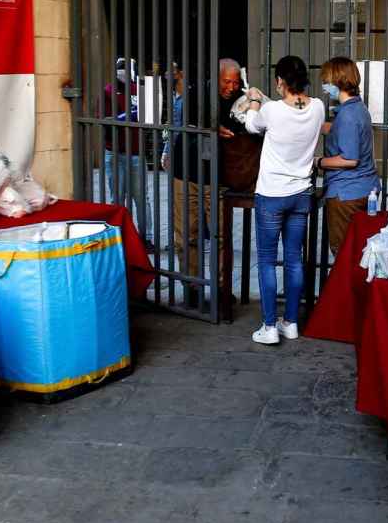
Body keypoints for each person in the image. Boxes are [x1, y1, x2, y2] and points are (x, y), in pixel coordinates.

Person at [244, 56, 324, 345]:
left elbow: (252, 125)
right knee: (293, 260)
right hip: (301, 194)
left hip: (272, 194)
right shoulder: (318, 107)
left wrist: (254, 99)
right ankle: (290, 322)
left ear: (280, 82)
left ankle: (269, 326)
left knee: (266, 261)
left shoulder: (271, 110)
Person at [162, 58, 242, 308]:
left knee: (220, 236)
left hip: (216, 179)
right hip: (185, 174)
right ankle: (192, 287)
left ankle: (220, 289)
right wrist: (211, 128)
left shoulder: (240, 99)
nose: (231, 86)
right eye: (226, 81)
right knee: (186, 234)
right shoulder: (196, 93)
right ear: (216, 78)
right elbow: (189, 118)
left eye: (235, 82)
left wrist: (252, 98)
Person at [317, 56, 379, 254]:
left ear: (337, 80)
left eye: (326, 81)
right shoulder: (357, 108)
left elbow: (349, 159)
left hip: (346, 193)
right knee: (356, 251)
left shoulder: (348, 115)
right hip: (361, 189)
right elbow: (336, 129)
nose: (324, 86)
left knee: (344, 253)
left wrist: (318, 162)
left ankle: (346, 286)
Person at [103, 57, 154, 249]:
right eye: (120, 68)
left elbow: (149, 117)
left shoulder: (138, 90)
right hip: (114, 152)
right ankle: (121, 237)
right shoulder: (108, 91)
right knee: (117, 198)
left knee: (141, 198)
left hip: (135, 153)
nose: (123, 72)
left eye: (126, 69)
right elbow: (104, 121)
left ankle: (145, 238)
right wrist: (124, 117)